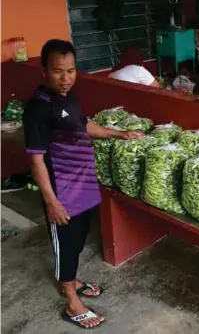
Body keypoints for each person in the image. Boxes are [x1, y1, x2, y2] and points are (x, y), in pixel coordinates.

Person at [23, 39, 144, 329]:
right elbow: (36, 160)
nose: (65, 78)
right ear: (44, 71)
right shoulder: (38, 110)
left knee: (77, 241)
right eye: (57, 71)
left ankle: (73, 280)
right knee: (65, 245)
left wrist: (119, 134)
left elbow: (84, 126)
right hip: (62, 192)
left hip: (84, 186)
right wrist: (51, 202)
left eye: (71, 70)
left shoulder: (70, 98)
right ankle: (71, 301)